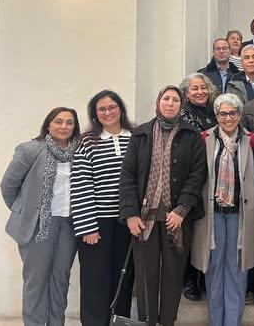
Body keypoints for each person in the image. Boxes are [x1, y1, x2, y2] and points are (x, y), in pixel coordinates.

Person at [119, 85, 207, 326]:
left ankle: (168, 321)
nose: (170, 103)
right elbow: (127, 176)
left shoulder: (192, 135)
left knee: (173, 274)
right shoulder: (141, 134)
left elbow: (197, 175)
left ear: (181, 105)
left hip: (176, 218)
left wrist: (182, 209)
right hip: (143, 218)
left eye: (175, 100)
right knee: (145, 275)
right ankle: (146, 320)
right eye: (166, 98)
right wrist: (130, 214)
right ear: (158, 102)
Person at [1, 107, 81, 326]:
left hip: (69, 225)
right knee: (36, 281)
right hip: (38, 226)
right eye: (58, 121)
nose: (64, 126)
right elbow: (8, 186)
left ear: (75, 127)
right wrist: (24, 213)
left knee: (60, 279)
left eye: (69, 122)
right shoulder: (30, 150)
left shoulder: (80, 152)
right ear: (48, 125)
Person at [191, 93, 254, 326]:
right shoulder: (204, 139)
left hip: (240, 214)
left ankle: (232, 322)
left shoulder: (252, 140)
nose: (228, 118)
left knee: (237, 268)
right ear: (216, 115)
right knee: (213, 267)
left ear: (239, 115)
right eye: (223, 113)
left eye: (232, 113)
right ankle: (216, 321)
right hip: (212, 214)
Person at [70, 91, 136, 326]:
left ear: (121, 109)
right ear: (95, 114)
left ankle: (119, 322)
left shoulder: (136, 137)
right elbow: (80, 185)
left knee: (124, 278)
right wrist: (87, 226)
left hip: (128, 221)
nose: (108, 112)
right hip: (97, 223)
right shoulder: (87, 142)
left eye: (112, 107)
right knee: (95, 279)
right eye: (102, 109)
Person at [179, 72, 218, 301]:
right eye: (194, 88)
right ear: (186, 92)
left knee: (205, 233)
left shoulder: (214, 110)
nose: (200, 92)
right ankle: (189, 280)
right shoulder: (183, 114)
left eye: (203, 87)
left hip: (213, 178)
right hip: (192, 178)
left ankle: (203, 277)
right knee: (191, 233)